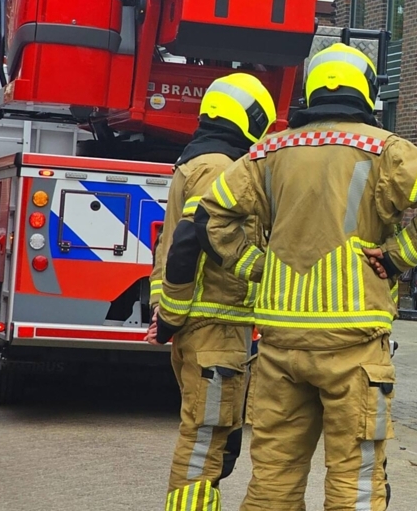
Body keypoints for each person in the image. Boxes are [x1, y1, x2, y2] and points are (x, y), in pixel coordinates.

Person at [166, 42, 417, 511]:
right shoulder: (382, 149)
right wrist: (397, 258)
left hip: (281, 345)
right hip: (353, 344)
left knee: (273, 483)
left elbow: (209, 217)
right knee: (355, 482)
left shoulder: (270, 151)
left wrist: (255, 268)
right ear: (365, 90)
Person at [146, 73, 277, 511]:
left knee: (216, 439)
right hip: (213, 329)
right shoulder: (219, 168)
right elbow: (188, 243)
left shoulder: (196, 161)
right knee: (205, 442)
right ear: (251, 118)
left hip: (210, 332)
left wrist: (170, 316)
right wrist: (172, 317)